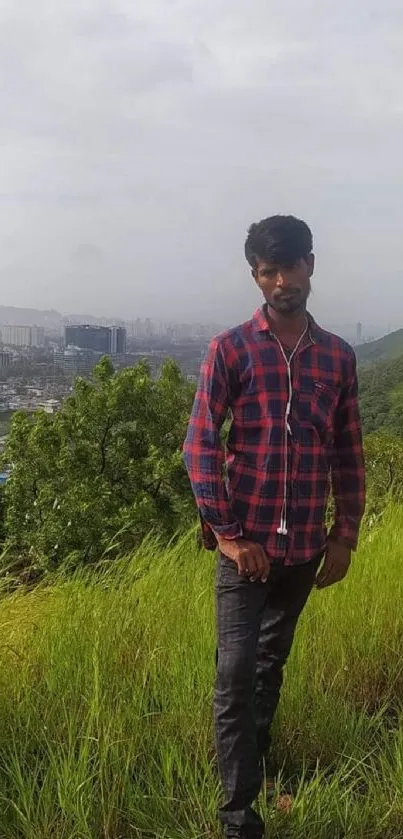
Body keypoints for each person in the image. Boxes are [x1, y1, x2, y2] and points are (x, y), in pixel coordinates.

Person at [183, 215, 366, 839]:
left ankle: (254, 777)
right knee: (234, 671)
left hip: (304, 547)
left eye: (290, 267)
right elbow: (201, 445)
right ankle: (238, 817)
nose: (281, 281)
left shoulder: (337, 356)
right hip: (246, 547)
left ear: (311, 266)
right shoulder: (230, 349)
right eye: (268, 271)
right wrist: (230, 535)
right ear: (255, 277)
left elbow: (347, 450)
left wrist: (345, 536)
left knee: (269, 665)